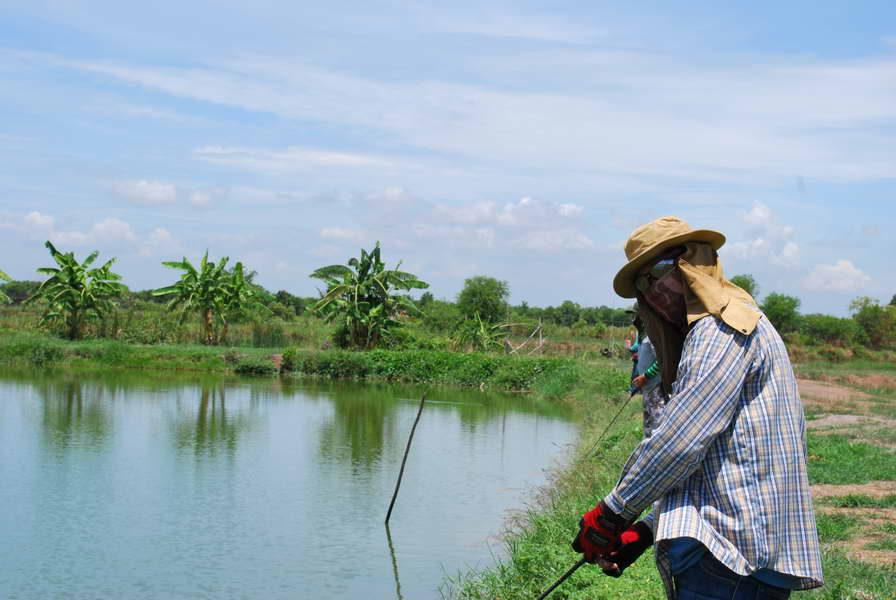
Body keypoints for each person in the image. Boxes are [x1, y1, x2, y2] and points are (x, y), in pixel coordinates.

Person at [571, 217, 823, 599]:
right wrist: (647, 529)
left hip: (731, 559)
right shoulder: (720, 327)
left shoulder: (720, 328)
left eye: (659, 272)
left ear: (691, 265)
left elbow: (680, 442)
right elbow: (723, 465)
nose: (654, 292)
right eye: (643, 284)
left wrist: (611, 514)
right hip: (736, 557)